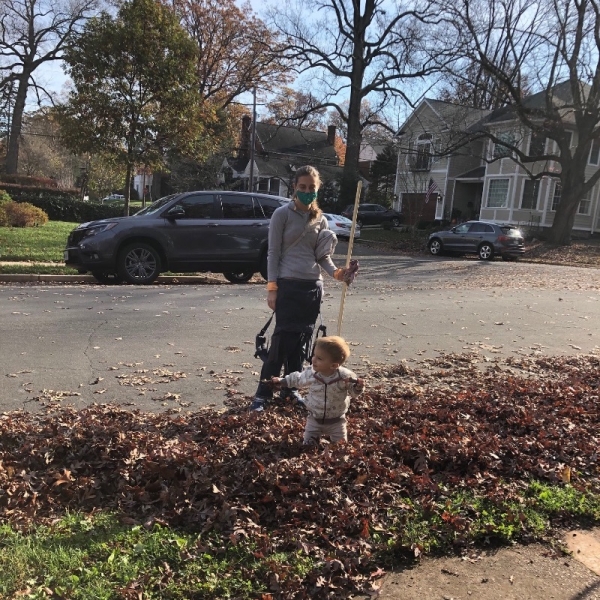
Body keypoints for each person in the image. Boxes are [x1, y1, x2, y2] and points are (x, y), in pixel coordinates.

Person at [249, 165, 358, 412]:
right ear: (295, 188)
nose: (307, 191)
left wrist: (339, 274)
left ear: (317, 189)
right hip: (288, 286)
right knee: (280, 343)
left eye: (312, 188)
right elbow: (273, 253)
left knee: (302, 343)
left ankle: (290, 390)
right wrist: (272, 287)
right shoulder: (282, 215)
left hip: (312, 287)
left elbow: (322, 258)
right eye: (303, 187)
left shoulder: (321, 219)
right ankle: (263, 394)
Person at [271, 336, 364, 444]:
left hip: (337, 421)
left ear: (333, 365)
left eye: (319, 358)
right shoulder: (312, 373)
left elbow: (354, 393)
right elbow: (298, 379)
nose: (313, 359)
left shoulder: (344, 377)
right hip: (314, 419)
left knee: (340, 446)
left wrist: (358, 387)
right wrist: (282, 381)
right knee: (308, 444)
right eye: (314, 355)